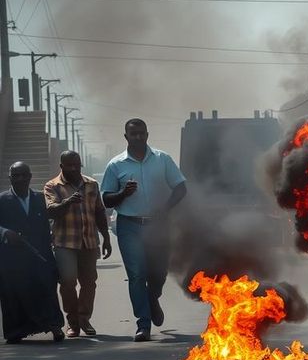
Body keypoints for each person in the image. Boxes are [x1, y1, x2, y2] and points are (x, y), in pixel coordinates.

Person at [101, 118, 187, 342]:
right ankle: (143, 324)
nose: (138, 137)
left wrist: (166, 208)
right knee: (137, 274)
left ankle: (152, 296)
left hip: (158, 225)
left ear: (147, 135)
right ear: (126, 137)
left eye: (141, 134)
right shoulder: (116, 165)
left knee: (158, 272)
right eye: (133, 134)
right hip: (129, 225)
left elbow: (181, 187)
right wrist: (123, 194)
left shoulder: (162, 159)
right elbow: (107, 200)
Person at [43, 151, 113, 337]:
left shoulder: (91, 184)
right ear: (62, 166)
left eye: (77, 165)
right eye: (70, 165)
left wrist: (106, 237)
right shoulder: (52, 186)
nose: (74, 169)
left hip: (88, 241)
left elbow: (99, 212)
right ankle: (72, 322)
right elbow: (50, 211)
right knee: (67, 282)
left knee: (89, 282)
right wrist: (68, 202)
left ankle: (84, 319)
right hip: (65, 242)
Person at [0, 162, 65, 343]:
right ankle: (16, 331)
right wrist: (5, 232)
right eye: (16, 176)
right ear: (10, 178)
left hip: (40, 253)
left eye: (23, 175)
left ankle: (54, 326)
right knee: (14, 294)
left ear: (30, 177)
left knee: (46, 288)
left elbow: (51, 223)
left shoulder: (40, 198)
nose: (20, 179)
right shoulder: (2, 200)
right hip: (11, 257)